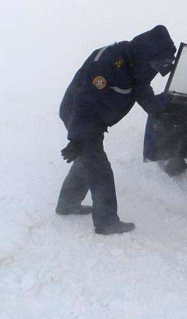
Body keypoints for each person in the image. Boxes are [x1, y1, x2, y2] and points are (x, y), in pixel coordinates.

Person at [57, 25, 176, 235]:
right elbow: (86, 101)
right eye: (156, 65)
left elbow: (142, 90)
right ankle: (106, 222)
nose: (155, 71)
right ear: (149, 53)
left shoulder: (138, 65)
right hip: (79, 114)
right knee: (99, 168)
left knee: (87, 160)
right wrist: (77, 139)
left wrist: (160, 113)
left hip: (94, 118)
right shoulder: (109, 62)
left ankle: (67, 204)